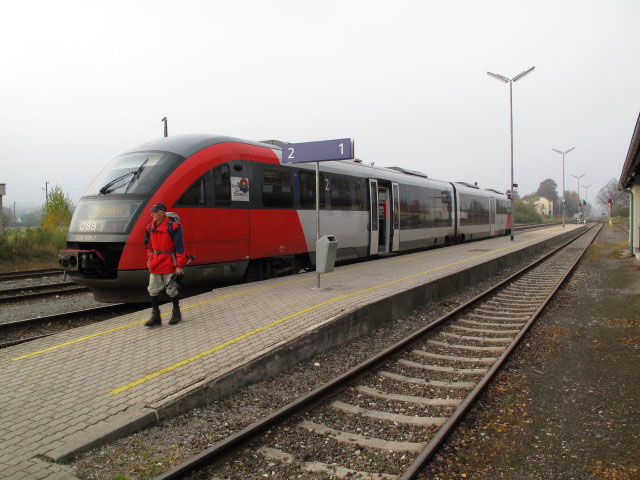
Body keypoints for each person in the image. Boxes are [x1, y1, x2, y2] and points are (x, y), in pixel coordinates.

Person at [143, 202, 185, 326]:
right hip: (155, 263)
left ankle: (176, 313)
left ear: (162, 213)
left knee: (171, 290)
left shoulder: (173, 227)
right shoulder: (149, 227)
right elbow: (148, 245)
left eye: (155, 212)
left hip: (169, 263)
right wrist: (150, 258)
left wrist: (180, 265)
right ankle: (156, 316)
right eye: (152, 212)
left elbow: (180, 247)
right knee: (152, 289)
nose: (152, 214)